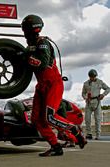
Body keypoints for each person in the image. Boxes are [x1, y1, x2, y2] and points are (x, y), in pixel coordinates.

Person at [21, 14, 87, 156]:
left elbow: (42, 63)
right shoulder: (31, 46)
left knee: (49, 117)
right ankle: (56, 147)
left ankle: (74, 129)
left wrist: (26, 56)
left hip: (53, 84)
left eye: (25, 30)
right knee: (37, 121)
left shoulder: (43, 42)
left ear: (30, 30)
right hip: (41, 86)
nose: (24, 33)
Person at [82, 69, 110, 140]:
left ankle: (98, 134)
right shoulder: (85, 83)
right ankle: (89, 133)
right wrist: (85, 98)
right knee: (87, 118)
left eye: (94, 76)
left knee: (98, 118)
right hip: (88, 102)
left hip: (97, 101)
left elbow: (108, 89)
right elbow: (83, 93)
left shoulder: (99, 82)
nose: (93, 78)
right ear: (89, 76)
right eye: (91, 77)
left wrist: (103, 95)